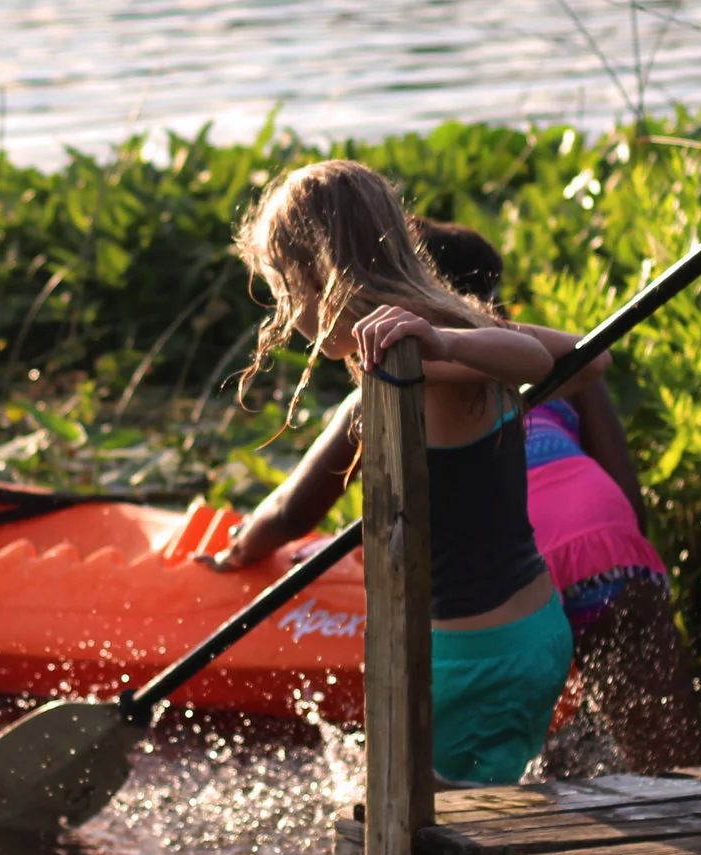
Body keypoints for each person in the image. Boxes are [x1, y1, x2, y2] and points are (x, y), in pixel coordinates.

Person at [222, 216, 701, 774]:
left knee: (476, 769)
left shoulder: (396, 378)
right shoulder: (536, 360)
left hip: (505, 586)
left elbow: (290, 512)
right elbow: (624, 487)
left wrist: (240, 547)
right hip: (609, 554)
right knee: (673, 769)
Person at [203, 160, 600, 787]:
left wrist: (444, 344)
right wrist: (457, 334)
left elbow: (528, 358)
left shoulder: (422, 351)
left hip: (473, 660)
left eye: (282, 292)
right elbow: (590, 355)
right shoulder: (446, 326)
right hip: (528, 630)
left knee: (419, 841)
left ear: (314, 275)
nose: (283, 316)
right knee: (454, 812)